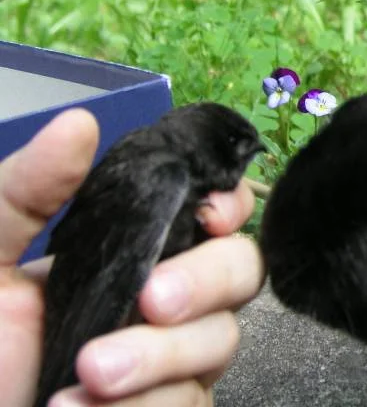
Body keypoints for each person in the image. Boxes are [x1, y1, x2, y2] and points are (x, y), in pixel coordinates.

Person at [1, 108, 265, 407]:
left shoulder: (159, 162)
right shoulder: (158, 176)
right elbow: (99, 289)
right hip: (77, 314)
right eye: (235, 142)